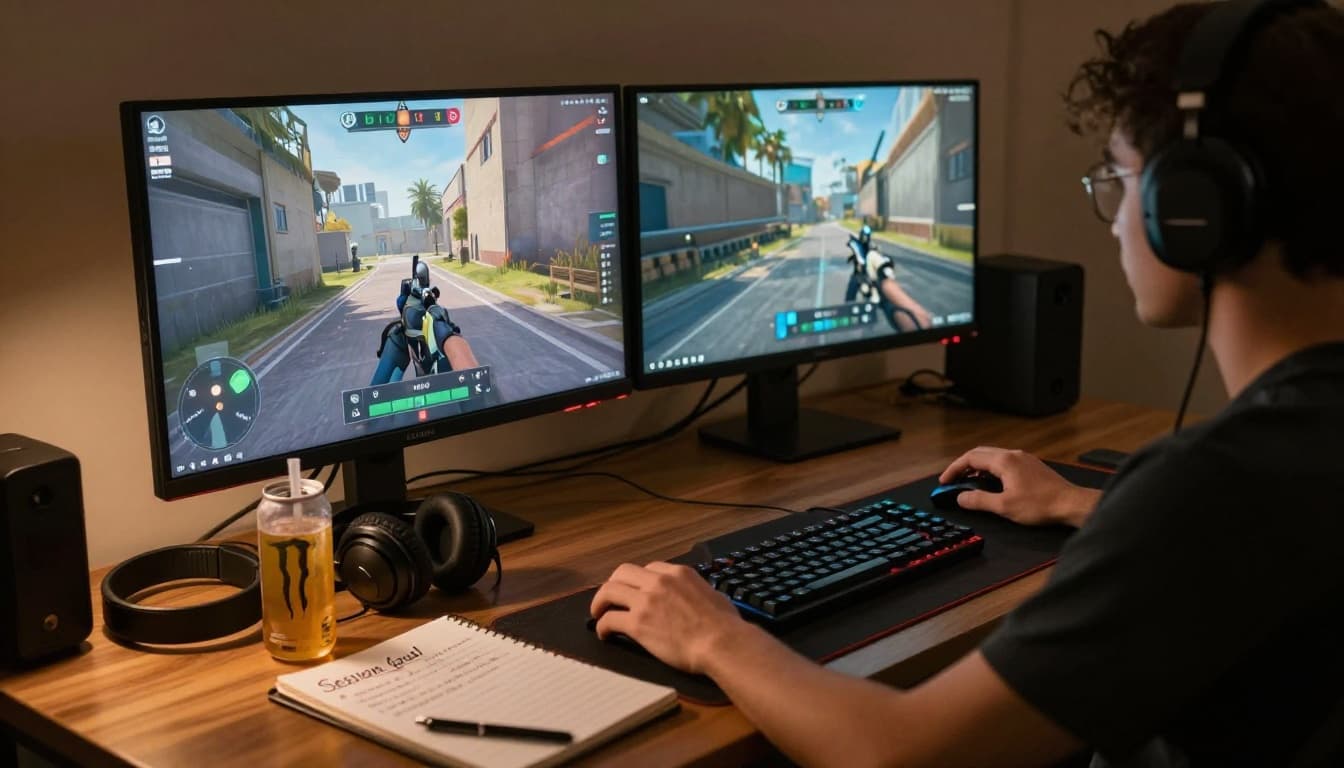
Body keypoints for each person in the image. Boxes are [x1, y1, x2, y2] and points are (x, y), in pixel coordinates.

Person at [590, 2, 1344, 765]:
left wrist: (715, 635)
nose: (1116, 221)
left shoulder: (1213, 487)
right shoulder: (1280, 462)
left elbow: (902, 754)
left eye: (1120, 180)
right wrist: (1092, 506)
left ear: (1195, 208)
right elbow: (1248, 540)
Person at [844, 223, 934, 332]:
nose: (865, 238)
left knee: (885, 304)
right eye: (864, 235)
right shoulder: (859, 249)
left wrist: (883, 273)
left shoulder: (872, 251)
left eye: (866, 236)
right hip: (866, 285)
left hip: (877, 288)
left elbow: (883, 264)